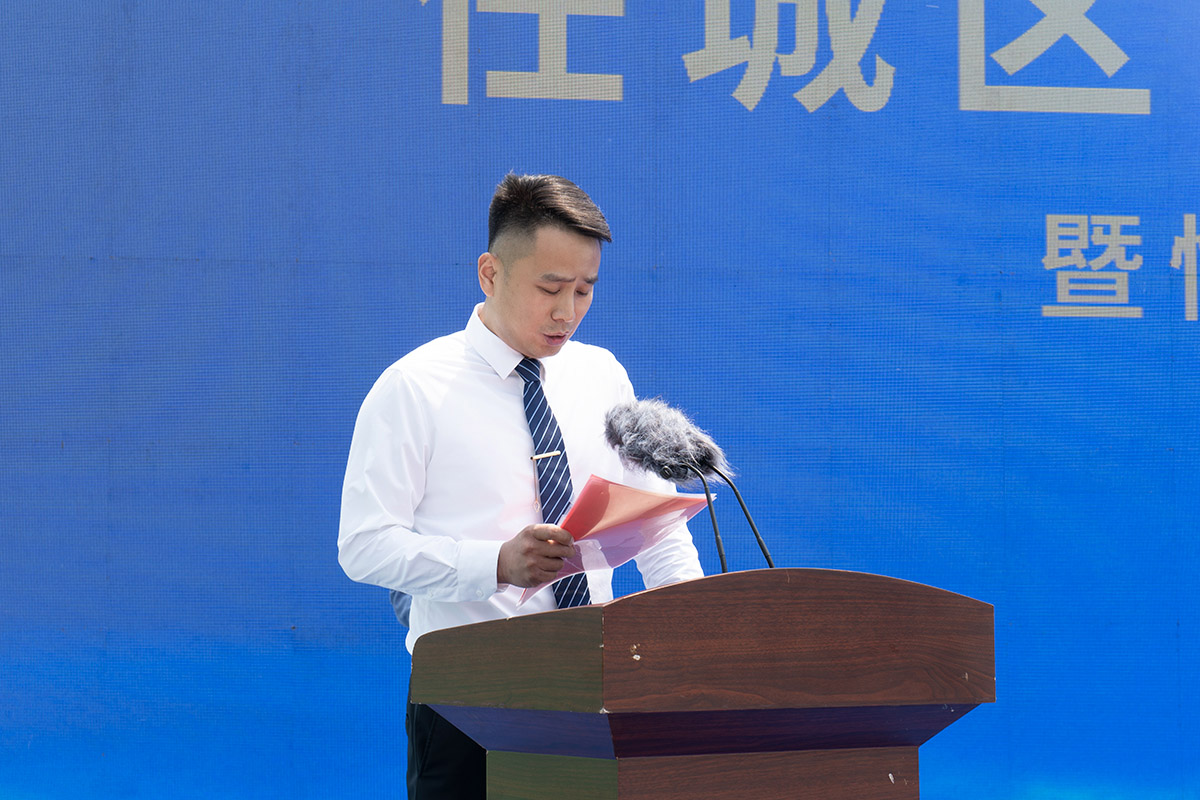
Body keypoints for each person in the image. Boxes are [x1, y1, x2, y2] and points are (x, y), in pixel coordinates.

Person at [337, 174, 703, 799]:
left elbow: (656, 521)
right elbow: (364, 546)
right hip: (467, 697)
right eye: (550, 288)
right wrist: (497, 563)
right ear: (490, 273)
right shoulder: (415, 388)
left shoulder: (601, 375)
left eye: (585, 289)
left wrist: (695, 624)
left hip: (596, 686)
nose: (568, 311)